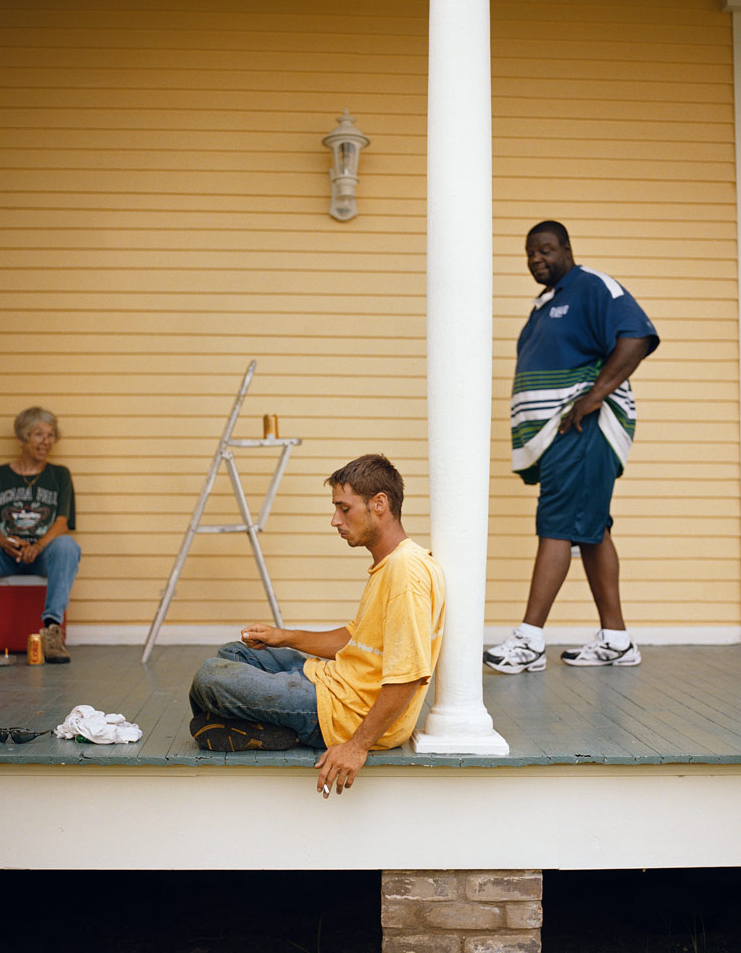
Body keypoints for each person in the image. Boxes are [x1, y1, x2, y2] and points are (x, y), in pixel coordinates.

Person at [188, 454, 445, 798]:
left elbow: (409, 675)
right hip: (337, 684)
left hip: (346, 713)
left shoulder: (406, 573)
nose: (335, 520)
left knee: (211, 677)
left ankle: (278, 729)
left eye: (344, 508)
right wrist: (284, 637)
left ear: (379, 504)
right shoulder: (391, 563)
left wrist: (357, 746)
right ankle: (259, 725)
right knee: (234, 654)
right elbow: (353, 639)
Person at [484, 221, 659, 674]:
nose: (536, 259)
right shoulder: (547, 302)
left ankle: (529, 640)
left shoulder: (590, 286)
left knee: (557, 524)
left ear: (566, 248)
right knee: (592, 528)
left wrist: (594, 396)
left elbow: (636, 336)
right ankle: (617, 640)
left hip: (583, 428)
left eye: (545, 249)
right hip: (562, 433)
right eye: (530, 253)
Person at [0, 406, 80, 664]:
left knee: (67, 546)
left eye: (51, 435)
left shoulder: (60, 475)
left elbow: (62, 522)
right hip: (5, 554)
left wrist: (40, 545)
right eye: (39, 434)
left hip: (44, 554)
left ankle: (52, 631)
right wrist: (5, 543)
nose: (47, 441)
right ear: (21, 439)